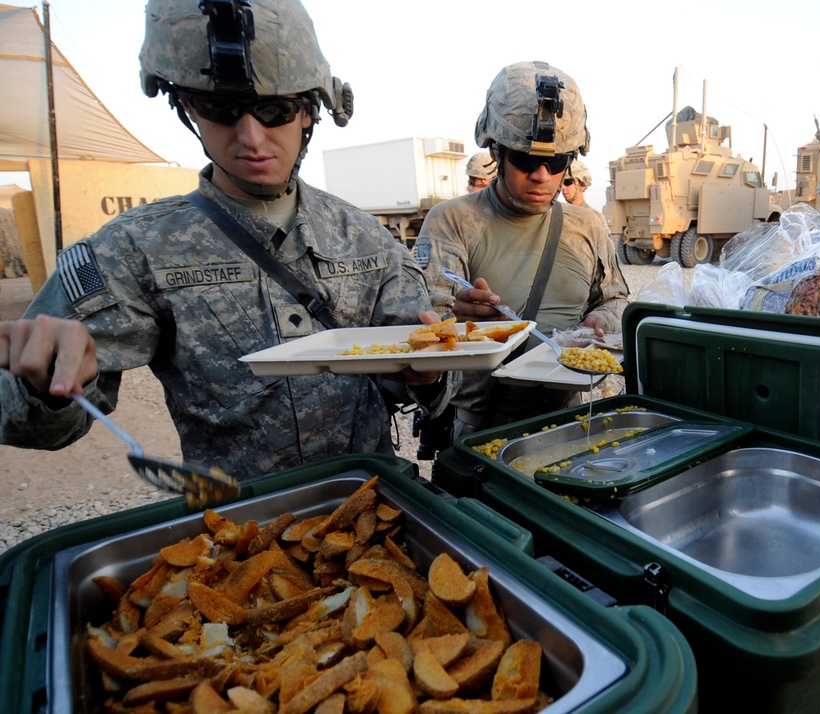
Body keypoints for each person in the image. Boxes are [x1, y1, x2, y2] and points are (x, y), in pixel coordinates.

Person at [0, 0, 454, 480]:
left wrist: (429, 376)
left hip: (370, 506)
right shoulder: (131, 250)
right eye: (221, 109)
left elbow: (430, 378)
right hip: (237, 526)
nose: (251, 137)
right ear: (188, 109)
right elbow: (30, 423)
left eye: (274, 110)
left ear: (309, 111)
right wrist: (45, 383)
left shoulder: (364, 237)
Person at [413, 61, 629, 438]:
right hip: (481, 430)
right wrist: (467, 326)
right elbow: (420, 334)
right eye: (526, 160)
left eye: (556, 161)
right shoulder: (454, 221)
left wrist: (602, 322)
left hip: (569, 423)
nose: (542, 175)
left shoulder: (588, 225)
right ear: (496, 152)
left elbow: (614, 299)